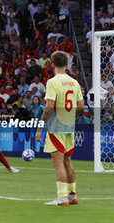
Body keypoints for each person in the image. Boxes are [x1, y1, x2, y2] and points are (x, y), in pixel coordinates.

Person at [36, 51, 84, 206]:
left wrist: (40, 127)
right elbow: (81, 107)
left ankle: (62, 198)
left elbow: (49, 106)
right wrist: (72, 117)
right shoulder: (74, 82)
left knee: (58, 163)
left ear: (52, 63)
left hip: (56, 128)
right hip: (70, 128)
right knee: (68, 162)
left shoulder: (52, 82)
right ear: (67, 64)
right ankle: (72, 195)